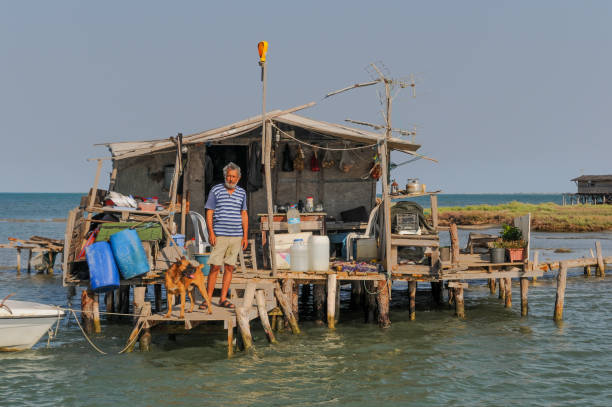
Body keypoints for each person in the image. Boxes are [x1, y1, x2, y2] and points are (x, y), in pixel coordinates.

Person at [201, 162, 248, 309]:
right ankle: (207, 298)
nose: (231, 179)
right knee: (215, 267)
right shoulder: (216, 190)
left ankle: (222, 298)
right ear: (225, 176)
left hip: (236, 236)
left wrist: (245, 236)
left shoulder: (242, 193)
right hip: (220, 235)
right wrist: (211, 233)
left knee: (229, 267)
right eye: (228, 176)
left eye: (234, 177)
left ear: (238, 178)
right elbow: (209, 212)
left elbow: (244, 214)